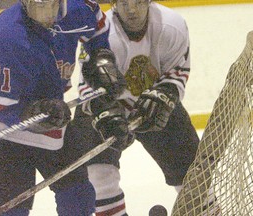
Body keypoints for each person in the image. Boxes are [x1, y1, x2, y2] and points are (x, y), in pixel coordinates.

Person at [0, 0, 126, 215]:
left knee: (79, 197)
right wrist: (35, 113)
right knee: (11, 211)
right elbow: (0, 107)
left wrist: (101, 57)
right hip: (2, 130)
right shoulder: (5, 36)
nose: (47, 15)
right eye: (39, 6)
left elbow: (97, 27)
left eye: (52, 5)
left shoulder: (78, 9)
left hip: (53, 118)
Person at [75, 0, 220, 215]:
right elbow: (87, 87)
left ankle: (207, 211)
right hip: (109, 106)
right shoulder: (101, 35)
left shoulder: (172, 25)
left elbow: (177, 71)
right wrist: (102, 109)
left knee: (193, 172)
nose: (132, 10)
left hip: (154, 99)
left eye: (139, 2)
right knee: (98, 173)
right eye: (124, 4)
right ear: (114, 4)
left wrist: (166, 94)